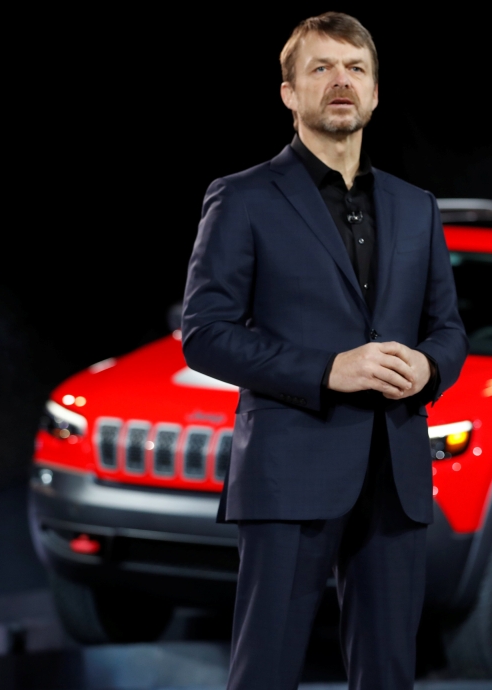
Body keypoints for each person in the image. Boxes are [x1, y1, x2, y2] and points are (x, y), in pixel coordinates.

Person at [180, 12, 468, 690]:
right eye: (321, 68)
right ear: (288, 93)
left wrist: (429, 367)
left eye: (356, 69)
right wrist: (325, 370)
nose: (341, 81)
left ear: (374, 94)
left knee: (389, 674)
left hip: (395, 476)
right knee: (267, 673)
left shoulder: (416, 206)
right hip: (288, 474)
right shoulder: (243, 197)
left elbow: (449, 331)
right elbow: (204, 331)